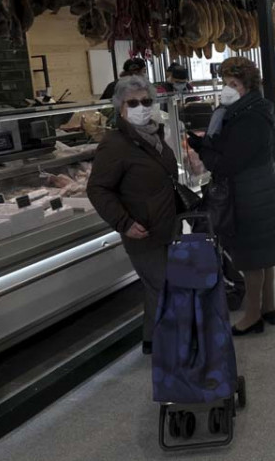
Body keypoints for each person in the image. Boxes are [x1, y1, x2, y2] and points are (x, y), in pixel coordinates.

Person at [187, 57, 275, 336]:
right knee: (264, 255)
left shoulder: (249, 116)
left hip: (248, 193)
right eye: (225, 83)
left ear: (247, 85)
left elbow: (227, 163)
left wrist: (203, 151)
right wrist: (204, 143)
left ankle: (252, 316)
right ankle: (268, 307)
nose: (227, 89)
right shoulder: (254, 109)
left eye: (234, 84)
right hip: (261, 188)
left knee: (252, 257)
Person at [87, 75, 176, 355]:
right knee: (163, 287)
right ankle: (168, 347)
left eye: (146, 101)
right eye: (133, 102)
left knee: (158, 288)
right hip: (142, 231)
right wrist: (123, 222)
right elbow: (98, 189)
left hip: (166, 226)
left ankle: (152, 341)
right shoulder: (115, 144)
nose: (141, 107)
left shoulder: (154, 135)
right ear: (120, 107)